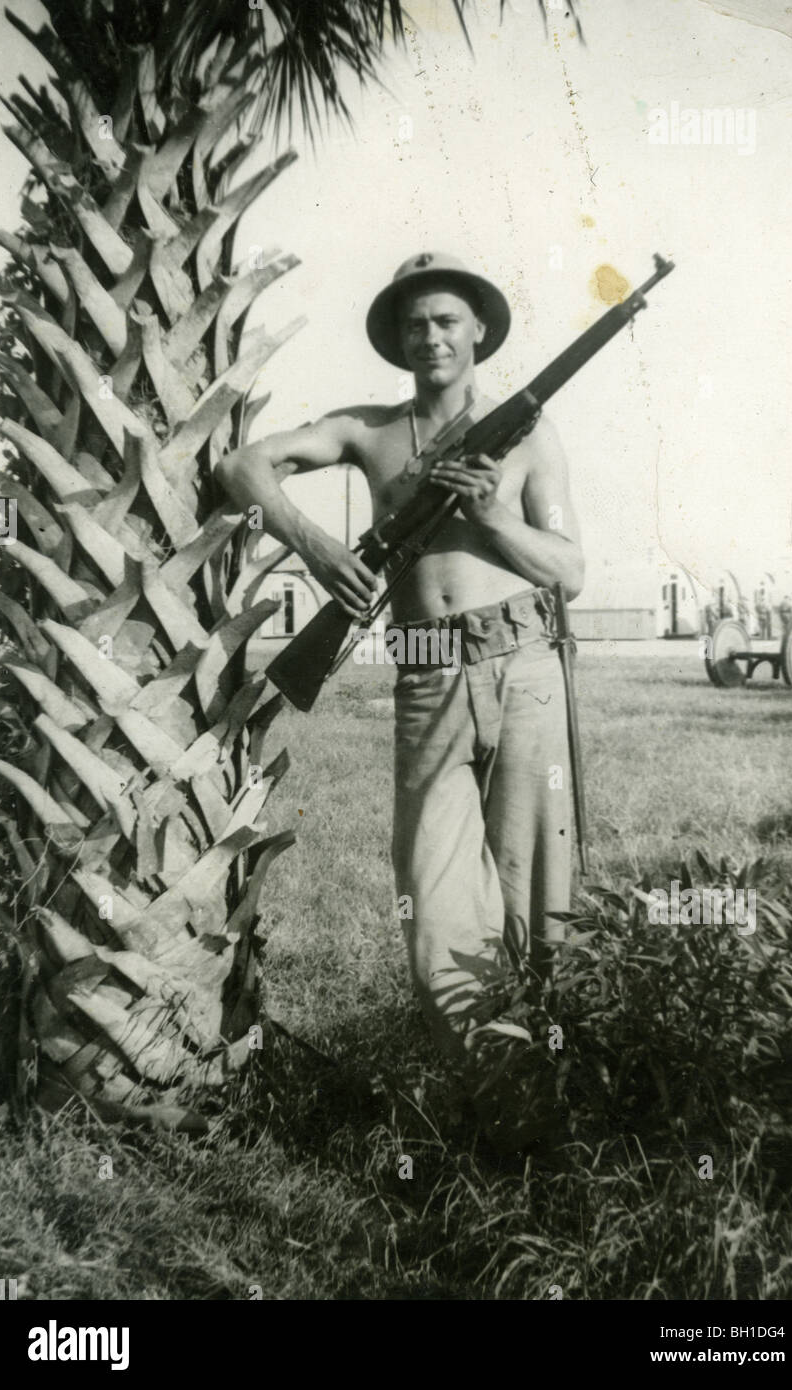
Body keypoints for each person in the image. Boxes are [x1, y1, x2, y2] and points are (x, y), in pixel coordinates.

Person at [215, 252, 584, 1110]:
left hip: (525, 664)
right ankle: (493, 1088)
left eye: (447, 320)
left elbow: (569, 570)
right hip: (423, 673)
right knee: (434, 895)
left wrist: (491, 516)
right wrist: (316, 545)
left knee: (542, 898)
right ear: (397, 338)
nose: (432, 336)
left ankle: (554, 1093)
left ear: (479, 330)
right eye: (416, 323)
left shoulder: (530, 433)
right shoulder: (370, 431)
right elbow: (242, 466)